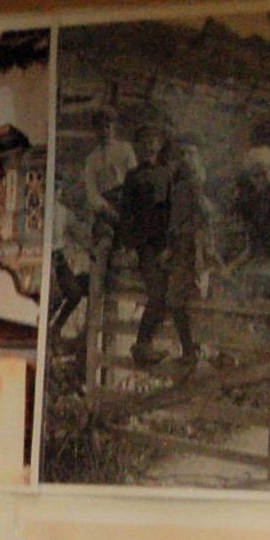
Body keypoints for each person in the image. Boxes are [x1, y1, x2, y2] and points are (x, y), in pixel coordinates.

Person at [101, 120, 207, 369]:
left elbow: (175, 212)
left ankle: (189, 350)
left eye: (154, 142)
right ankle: (142, 346)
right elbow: (126, 214)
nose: (149, 146)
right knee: (157, 293)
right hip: (145, 246)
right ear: (138, 147)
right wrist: (128, 245)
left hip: (168, 244)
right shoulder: (133, 177)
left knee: (176, 296)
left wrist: (170, 245)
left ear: (160, 146)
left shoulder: (169, 175)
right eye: (145, 142)